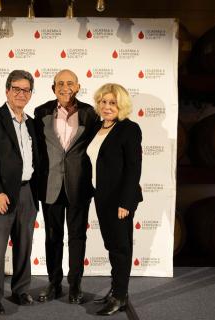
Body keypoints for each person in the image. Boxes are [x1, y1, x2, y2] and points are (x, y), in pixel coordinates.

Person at [0, 70, 39, 315]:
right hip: (0, 195)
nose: (21, 94)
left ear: (31, 94)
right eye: (16, 89)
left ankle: (21, 290)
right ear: (7, 91)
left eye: (26, 90)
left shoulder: (31, 123)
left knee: (24, 245)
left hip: (27, 193)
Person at [34, 69, 98, 304]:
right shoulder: (41, 111)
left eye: (70, 83)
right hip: (50, 184)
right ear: (53, 88)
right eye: (60, 83)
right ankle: (53, 283)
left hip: (78, 184)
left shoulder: (90, 113)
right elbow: (39, 150)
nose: (65, 87)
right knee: (52, 237)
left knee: (77, 237)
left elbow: (97, 147)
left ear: (78, 87)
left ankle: (75, 285)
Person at [86, 83, 143, 316]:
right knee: (111, 246)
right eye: (103, 102)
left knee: (121, 247)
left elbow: (133, 169)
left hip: (120, 200)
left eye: (112, 102)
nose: (107, 107)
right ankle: (116, 290)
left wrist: (126, 203)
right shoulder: (97, 128)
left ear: (121, 105)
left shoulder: (129, 129)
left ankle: (119, 296)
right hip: (101, 197)